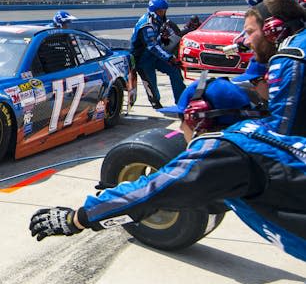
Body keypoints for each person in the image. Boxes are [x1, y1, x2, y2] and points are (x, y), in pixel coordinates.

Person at [28, 76, 306, 262]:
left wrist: (77, 219)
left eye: (181, 118)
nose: (179, 127)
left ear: (198, 118)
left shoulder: (222, 150)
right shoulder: (253, 136)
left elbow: (153, 191)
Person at [242, 0, 306, 136]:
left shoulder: (289, 58)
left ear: (273, 29)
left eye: (250, 32)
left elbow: (282, 135)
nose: (246, 42)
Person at [130, 0, 185, 109]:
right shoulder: (147, 25)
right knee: (152, 87)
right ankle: (157, 106)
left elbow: (168, 36)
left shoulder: (158, 21)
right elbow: (152, 46)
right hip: (143, 59)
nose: (163, 13)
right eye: (160, 11)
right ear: (153, 11)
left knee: (175, 70)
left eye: (164, 11)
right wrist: (170, 58)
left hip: (156, 56)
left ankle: (181, 101)